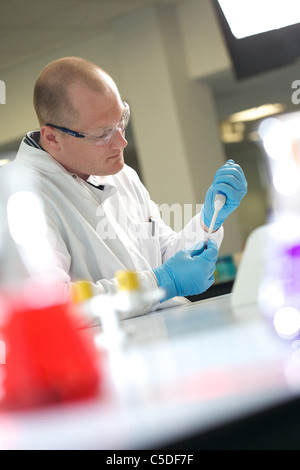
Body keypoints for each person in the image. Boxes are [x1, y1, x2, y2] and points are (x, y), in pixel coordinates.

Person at [0, 57, 247, 313]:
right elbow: (50, 305)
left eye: (121, 121)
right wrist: (160, 283)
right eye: (102, 134)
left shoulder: (121, 175)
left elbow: (164, 257)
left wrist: (209, 222)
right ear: (52, 138)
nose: (121, 142)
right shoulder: (16, 195)